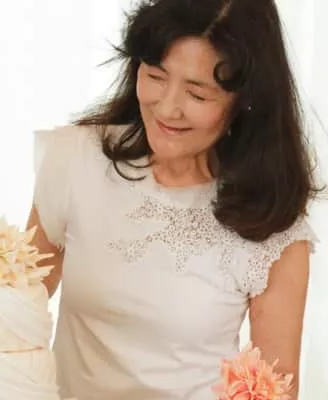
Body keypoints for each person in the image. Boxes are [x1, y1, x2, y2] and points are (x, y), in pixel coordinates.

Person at [26, 0, 319, 399]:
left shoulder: (272, 226)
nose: (166, 108)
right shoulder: (77, 160)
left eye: (197, 95)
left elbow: (275, 389)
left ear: (246, 101)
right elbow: (11, 313)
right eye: (155, 76)